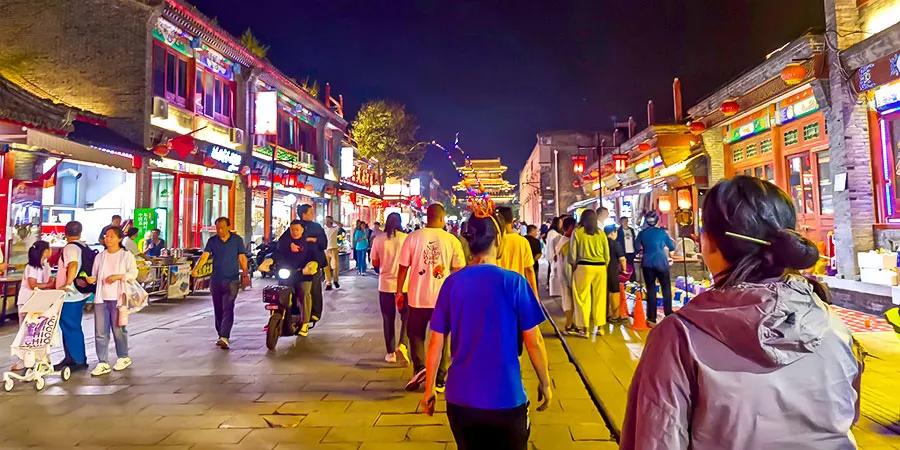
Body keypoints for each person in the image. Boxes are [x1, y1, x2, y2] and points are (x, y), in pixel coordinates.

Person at [620, 176, 861, 449]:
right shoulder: (832, 323)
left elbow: (657, 440)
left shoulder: (679, 337)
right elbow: (847, 416)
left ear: (708, 243)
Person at [420, 211, 552, 450]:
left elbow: (435, 342)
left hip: (461, 399)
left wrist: (429, 389)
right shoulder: (514, 283)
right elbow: (534, 342)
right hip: (507, 398)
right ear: (498, 240)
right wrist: (545, 382)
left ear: (469, 242)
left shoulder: (452, 283)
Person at [396, 203, 465, 392]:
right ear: (442, 218)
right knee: (442, 337)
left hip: (417, 297)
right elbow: (459, 271)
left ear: (427, 217)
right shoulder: (452, 240)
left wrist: (399, 291)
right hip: (443, 299)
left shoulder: (413, 238)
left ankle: (420, 368)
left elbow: (403, 267)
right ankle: (440, 379)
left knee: (415, 335)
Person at [192, 217, 250, 350]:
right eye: (217, 228)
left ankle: (225, 336)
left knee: (228, 306)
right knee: (218, 308)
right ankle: (220, 334)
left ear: (228, 227)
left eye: (222, 227)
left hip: (232, 279)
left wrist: (245, 274)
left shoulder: (237, 240)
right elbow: (205, 256)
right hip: (216, 279)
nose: (219, 230)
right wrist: (196, 269)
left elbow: (242, 257)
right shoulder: (212, 241)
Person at [86, 227, 137, 376]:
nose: (108, 239)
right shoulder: (100, 256)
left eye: (112, 236)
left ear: (119, 239)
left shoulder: (126, 255)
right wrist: (91, 279)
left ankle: (123, 356)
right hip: (101, 297)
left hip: (118, 298)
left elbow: (133, 273)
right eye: (106, 236)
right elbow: (95, 275)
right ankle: (102, 362)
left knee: (118, 329)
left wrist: (118, 276)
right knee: (100, 331)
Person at [371, 212, 410, 364]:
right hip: (404, 285)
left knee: (388, 318)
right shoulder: (406, 239)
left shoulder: (378, 240)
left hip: (385, 285)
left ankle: (390, 353)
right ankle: (403, 344)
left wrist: (381, 268)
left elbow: (374, 262)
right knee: (406, 316)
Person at [12, 241, 55, 371]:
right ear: (45, 251)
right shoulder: (31, 267)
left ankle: (43, 357)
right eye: (49, 248)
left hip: (40, 301)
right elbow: (33, 284)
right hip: (27, 301)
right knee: (26, 331)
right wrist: (49, 285)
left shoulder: (46, 266)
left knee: (41, 330)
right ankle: (23, 359)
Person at [568, 209, 610, 337]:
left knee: (582, 298)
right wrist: (604, 266)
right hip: (600, 267)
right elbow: (607, 255)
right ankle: (601, 327)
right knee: (600, 298)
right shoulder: (601, 234)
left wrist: (573, 265)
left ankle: (584, 328)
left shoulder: (578, 232)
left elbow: (573, 254)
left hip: (583, 267)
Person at [55, 221, 90, 372]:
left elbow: (73, 264)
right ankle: (70, 358)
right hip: (80, 293)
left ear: (65, 233)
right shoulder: (83, 246)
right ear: (80, 232)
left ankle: (77, 360)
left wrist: (68, 283)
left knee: (70, 326)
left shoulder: (70, 247)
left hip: (71, 295)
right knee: (70, 326)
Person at [276, 220, 318, 337]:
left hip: (304, 274)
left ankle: (305, 323)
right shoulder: (285, 242)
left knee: (304, 293)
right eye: (292, 230)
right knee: (280, 294)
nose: (294, 232)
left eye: (297, 230)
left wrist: (310, 265)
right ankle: (279, 320)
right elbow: (277, 252)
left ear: (302, 230)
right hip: (288, 273)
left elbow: (315, 256)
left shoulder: (308, 243)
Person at [288, 204, 328, 323]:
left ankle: (314, 312)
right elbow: (284, 241)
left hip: (313, 261)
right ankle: (294, 310)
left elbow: (324, 243)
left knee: (314, 288)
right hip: (296, 262)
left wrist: (313, 240)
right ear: (304, 214)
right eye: (310, 212)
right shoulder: (296, 225)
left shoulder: (316, 227)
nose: (312, 214)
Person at [635, 210, 675, 325]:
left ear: (646, 222)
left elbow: (636, 248)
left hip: (647, 263)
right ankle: (668, 313)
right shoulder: (662, 233)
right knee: (666, 288)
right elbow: (671, 247)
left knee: (651, 289)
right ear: (657, 221)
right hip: (661, 262)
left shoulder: (642, 234)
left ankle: (651, 318)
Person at [496, 207, 538, 297]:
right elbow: (529, 270)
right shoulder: (522, 241)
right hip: (518, 291)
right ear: (512, 222)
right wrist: (535, 296)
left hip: (499, 292)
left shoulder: (494, 242)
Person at [557, 217, 577, 333]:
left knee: (568, 300)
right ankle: (569, 324)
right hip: (567, 277)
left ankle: (570, 323)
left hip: (564, 276)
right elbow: (567, 265)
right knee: (569, 300)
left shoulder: (562, 240)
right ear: (570, 228)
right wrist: (570, 281)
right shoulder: (567, 243)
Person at [605, 224, 628, 323]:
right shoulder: (615, 244)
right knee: (615, 292)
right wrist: (624, 270)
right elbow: (622, 259)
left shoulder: (602, 243)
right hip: (612, 271)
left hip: (602, 271)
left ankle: (605, 314)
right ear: (612, 232)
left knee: (605, 293)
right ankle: (615, 316)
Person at [616, 216, 638, 281]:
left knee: (632, 267)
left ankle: (632, 280)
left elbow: (634, 240)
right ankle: (625, 280)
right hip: (623, 252)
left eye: (626, 221)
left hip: (631, 251)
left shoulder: (631, 230)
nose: (625, 222)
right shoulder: (619, 231)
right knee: (624, 267)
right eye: (623, 221)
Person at [323, 216, 342, 290]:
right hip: (326, 249)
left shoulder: (335, 229)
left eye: (328, 221)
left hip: (334, 249)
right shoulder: (324, 229)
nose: (326, 222)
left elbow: (340, 225)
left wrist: (333, 220)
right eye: (326, 221)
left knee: (335, 266)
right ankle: (328, 283)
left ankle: (335, 280)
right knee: (326, 267)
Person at [545, 217, 562, 295]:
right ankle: (552, 289)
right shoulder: (553, 233)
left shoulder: (552, 232)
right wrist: (554, 254)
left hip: (552, 255)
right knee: (553, 272)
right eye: (560, 223)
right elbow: (553, 245)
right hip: (553, 255)